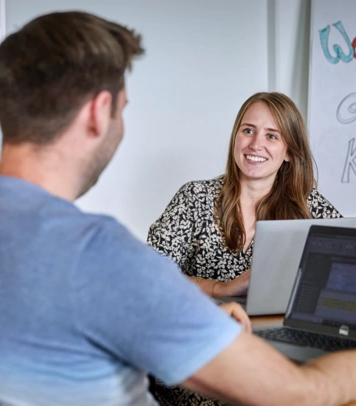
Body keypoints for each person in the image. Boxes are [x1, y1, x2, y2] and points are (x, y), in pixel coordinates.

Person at [0, 11, 356, 406]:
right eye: (122, 106)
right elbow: (299, 394)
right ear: (98, 112)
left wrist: (195, 319)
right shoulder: (100, 255)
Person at [145, 92, 342, 404]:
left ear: (288, 151)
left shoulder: (310, 206)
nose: (255, 144)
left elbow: (345, 273)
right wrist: (221, 288)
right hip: (201, 348)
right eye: (248, 130)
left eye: (272, 135)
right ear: (235, 137)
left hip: (280, 346)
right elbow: (149, 279)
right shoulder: (195, 198)